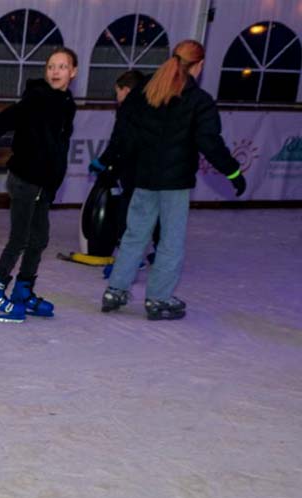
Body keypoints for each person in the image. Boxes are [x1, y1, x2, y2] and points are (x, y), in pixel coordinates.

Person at [94, 40, 245, 320]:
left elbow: (125, 131)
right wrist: (234, 172)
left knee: (134, 235)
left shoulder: (144, 91)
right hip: (174, 184)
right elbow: (209, 142)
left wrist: (112, 161)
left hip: (143, 178)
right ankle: (158, 298)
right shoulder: (198, 100)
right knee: (170, 241)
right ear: (198, 66)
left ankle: (115, 289)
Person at [0, 47, 79, 322]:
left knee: (39, 239)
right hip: (25, 180)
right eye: (51, 66)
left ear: (73, 72)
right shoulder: (37, 98)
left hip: (45, 184)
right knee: (19, 239)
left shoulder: (66, 103)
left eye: (62, 67)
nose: (55, 71)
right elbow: (11, 115)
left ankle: (23, 292)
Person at [95, 70, 160, 279]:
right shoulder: (155, 104)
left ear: (128, 89)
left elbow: (120, 139)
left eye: (118, 93)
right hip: (154, 168)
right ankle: (159, 250)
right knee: (153, 210)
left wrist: (105, 161)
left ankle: (130, 259)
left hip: (135, 168)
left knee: (129, 209)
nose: (117, 98)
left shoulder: (129, 108)